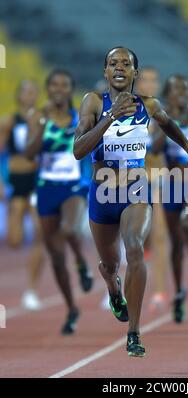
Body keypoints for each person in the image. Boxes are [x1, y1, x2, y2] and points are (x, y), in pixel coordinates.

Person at [73, 47, 188, 357]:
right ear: (106, 72)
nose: (119, 67)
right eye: (112, 63)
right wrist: (109, 117)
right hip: (102, 192)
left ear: (135, 73)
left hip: (135, 187)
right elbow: (79, 149)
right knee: (108, 264)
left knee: (134, 248)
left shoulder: (149, 105)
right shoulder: (93, 102)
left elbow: (170, 124)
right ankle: (113, 289)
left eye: (126, 63)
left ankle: (133, 332)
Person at [26, 69, 93, 335]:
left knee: (70, 230)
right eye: (54, 85)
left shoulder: (81, 117)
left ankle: (81, 262)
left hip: (74, 186)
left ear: (70, 90)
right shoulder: (38, 117)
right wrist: (41, 126)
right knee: (55, 256)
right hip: (46, 188)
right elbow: (29, 153)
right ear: (48, 89)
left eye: (64, 85)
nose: (58, 89)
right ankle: (71, 308)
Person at [153, 75, 188, 323]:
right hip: (172, 185)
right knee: (176, 243)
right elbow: (153, 149)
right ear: (168, 95)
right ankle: (179, 292)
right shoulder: (161, 119)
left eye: (186, 89)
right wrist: (166, 126)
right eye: (176, 90)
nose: (182, 94)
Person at [0, 80, 44, 310]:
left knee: (40, 233)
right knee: (15, 240)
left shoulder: (42, 120)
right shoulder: (8, 121)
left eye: (33, 92)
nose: (29, 96)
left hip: (37, 182)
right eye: (26, 92)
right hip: (17, 183)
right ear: (19, 96)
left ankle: (32, 290)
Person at [135, 66, 169, 312]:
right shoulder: (126, 110)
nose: (149, 84)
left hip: (157, 179)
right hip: (130, 181)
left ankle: (159, 291)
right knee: (128, 237)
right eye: (144, 80)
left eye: (153, 79)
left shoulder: (161, 112)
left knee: (159, 236)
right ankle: (115, 289)